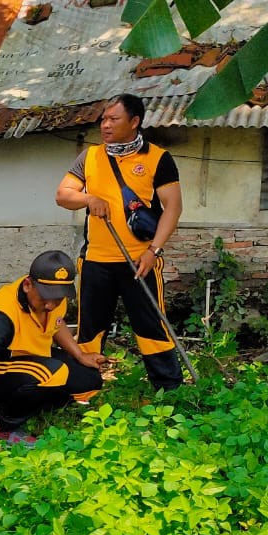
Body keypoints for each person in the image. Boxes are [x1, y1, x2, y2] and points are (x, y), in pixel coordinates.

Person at [56, 93, 184, 391]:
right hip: (96, 261)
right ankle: (84, 389)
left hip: (140, 261)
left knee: (151, 327)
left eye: (114, 119)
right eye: (104, 119)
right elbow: (63, 195)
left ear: (135, 121)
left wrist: (154, 251)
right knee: (90, 330)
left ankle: (169, 391)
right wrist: (88, 197)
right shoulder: (90, 157)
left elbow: (173, 208)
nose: (106, 125)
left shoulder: (157, 159)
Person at [0, 250, 106, 442]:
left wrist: (80, 355)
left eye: (57, 298)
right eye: (45, 298)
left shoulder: (55, 302)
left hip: (33, 362)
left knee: (90, 379)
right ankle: (1, 423)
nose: (50, 305)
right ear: (28, 285)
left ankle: (30, 403)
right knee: (51, 373)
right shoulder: (0, 314)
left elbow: (57, 323)